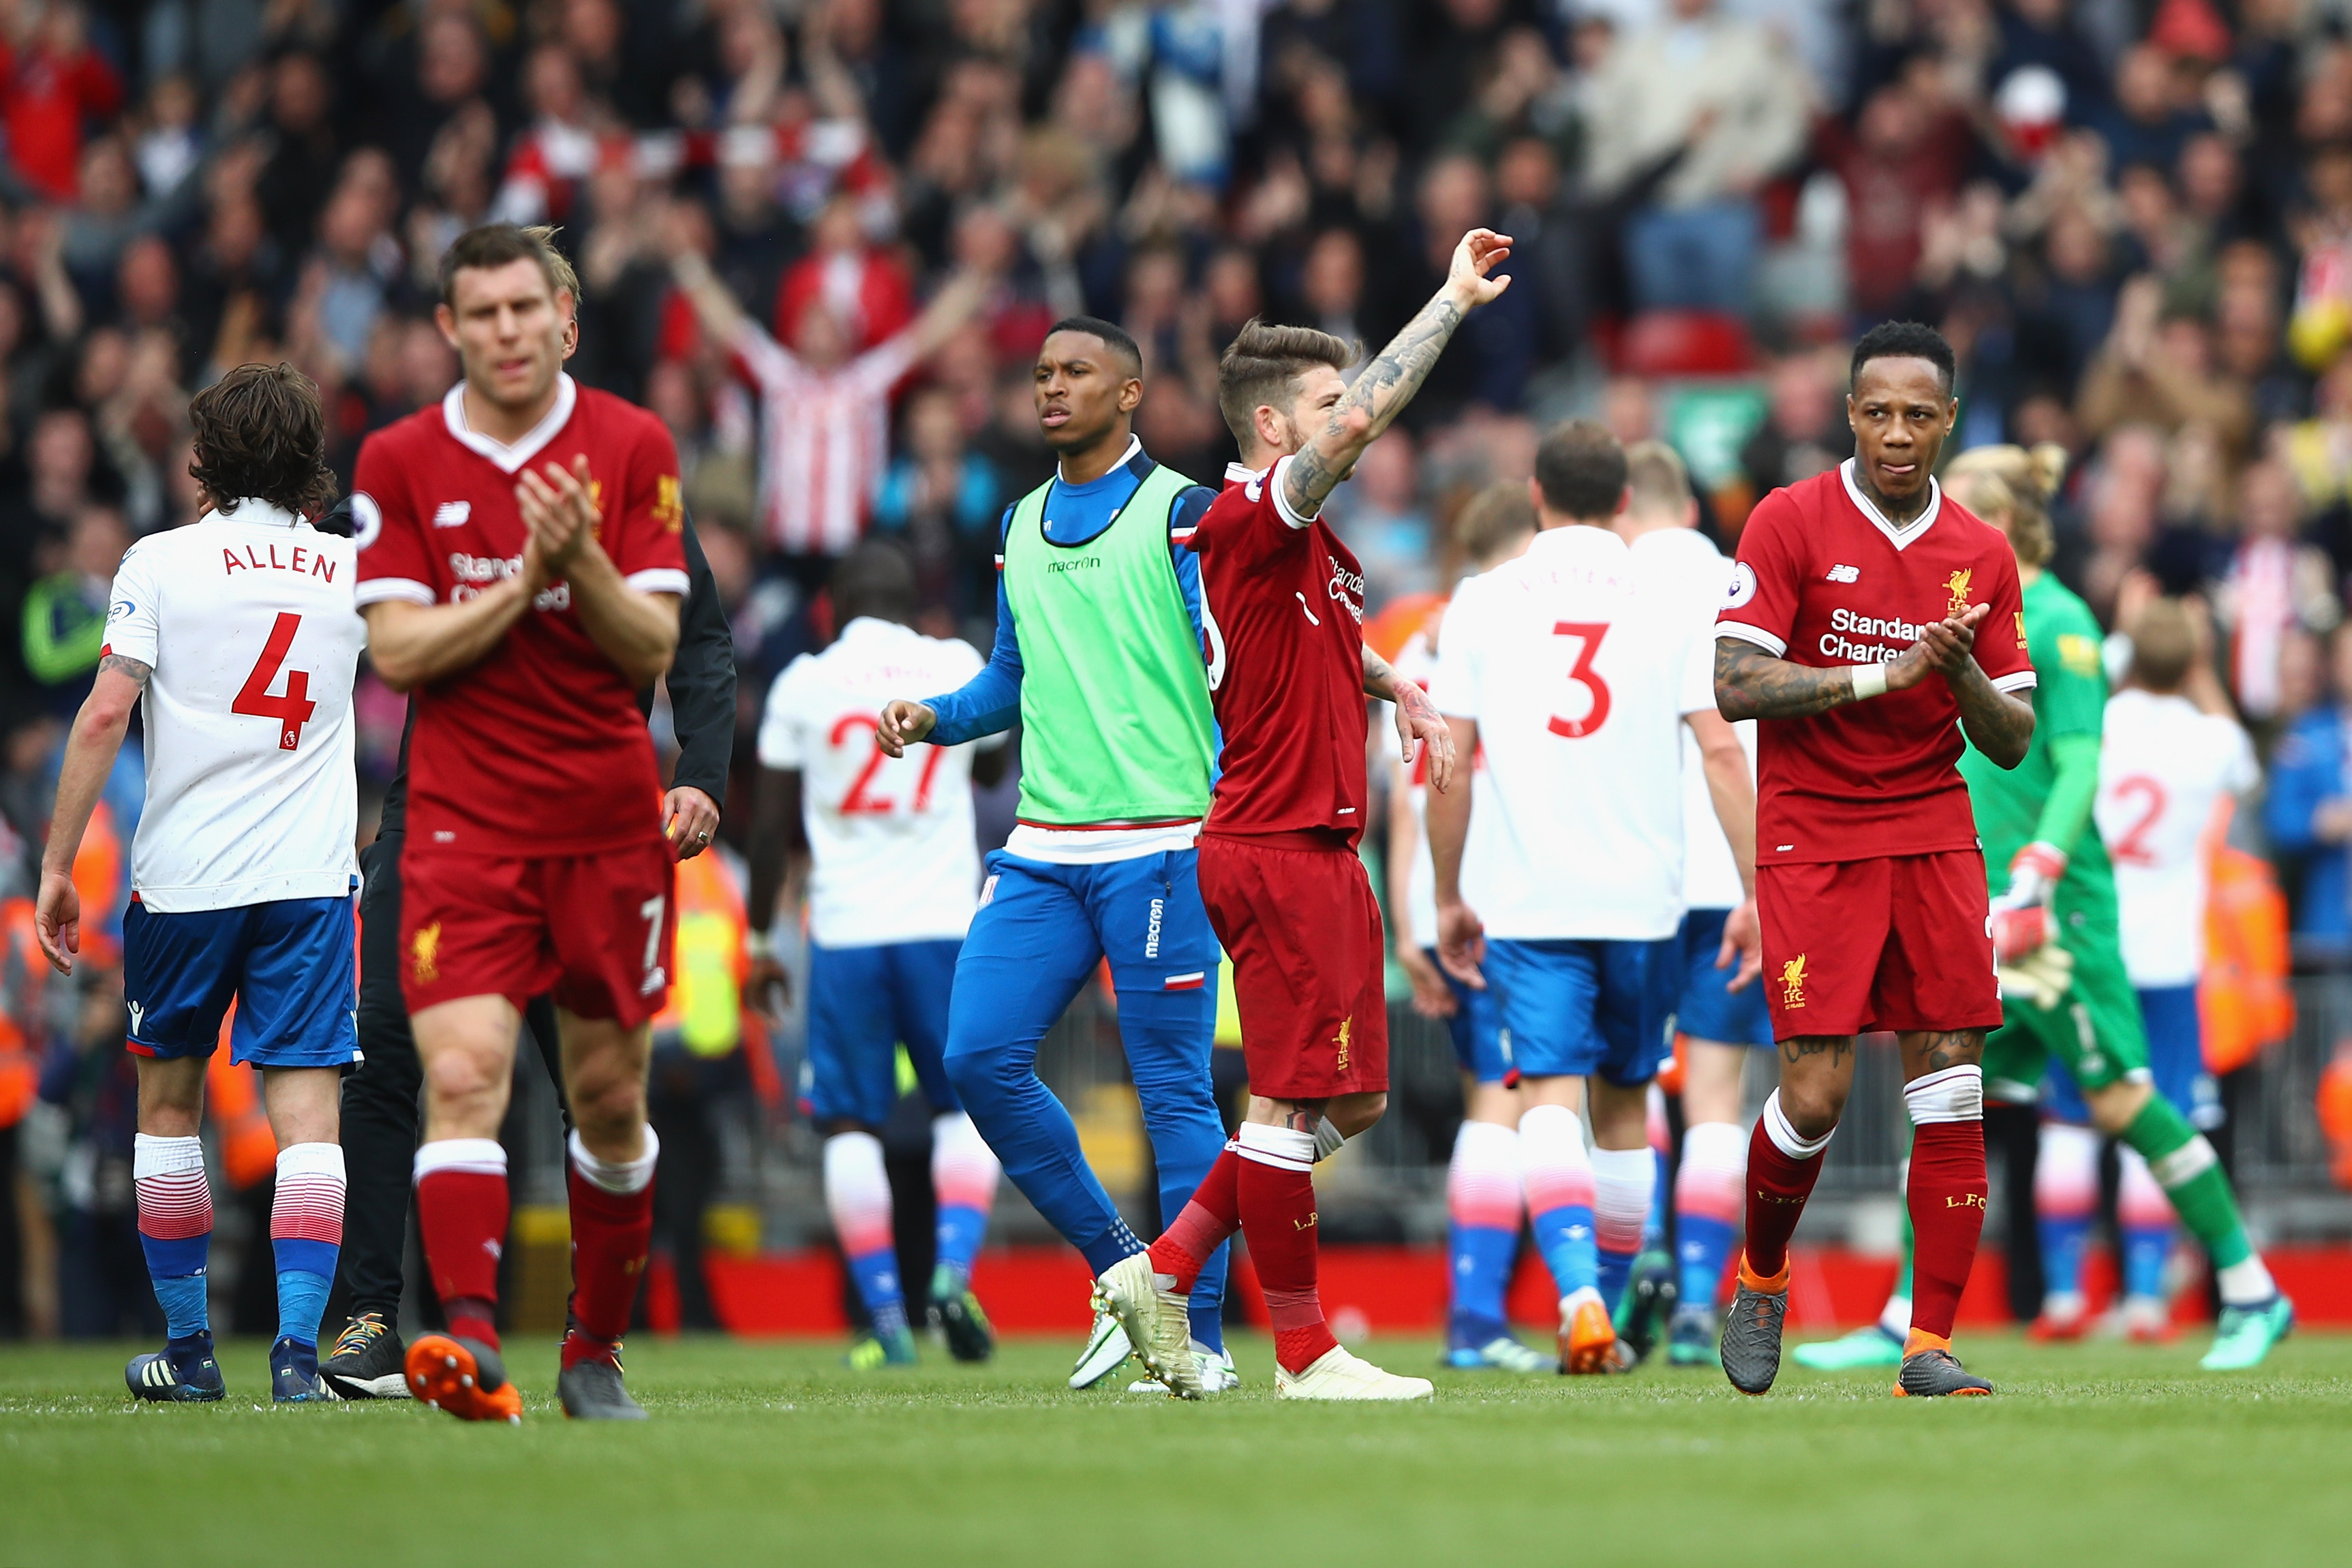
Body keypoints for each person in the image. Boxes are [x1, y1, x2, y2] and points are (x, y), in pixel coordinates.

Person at [1799, 450, 2291, 1375]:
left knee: (2115, 1098)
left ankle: (2251, 1287)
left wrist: (2042, 864)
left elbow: (2076, 761)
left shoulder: (2058, 621)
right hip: (1974, 903)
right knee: (1941, 1099)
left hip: (2054, 913)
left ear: (2001, 526)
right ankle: (1903, 1317)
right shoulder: (1965, 620)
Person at [1122, 230, 1509, 1404]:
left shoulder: (1312, 551)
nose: (1356, 415)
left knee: (1352, 1097)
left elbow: (1316, 652)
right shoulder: (1254, 520)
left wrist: (1400, 693)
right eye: (1330, 402)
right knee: (1289, 1102)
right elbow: (1360, 428)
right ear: (1278, 428)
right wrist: (1444, 302)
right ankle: (1302, 1352)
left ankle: (1165, 1267)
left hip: (1315, 842)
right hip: (1277, 842)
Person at [352, 222, 690, 1422]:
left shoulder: (630, 443)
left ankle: (590, 1351)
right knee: (461, 1070)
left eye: (522, 310)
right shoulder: (398, 459)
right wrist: (514, 583)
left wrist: (579, 560)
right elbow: (395, 650)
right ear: (448, 327)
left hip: (605, 823)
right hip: (462, 823)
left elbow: (652, 643)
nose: (504, 331)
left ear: (563, 320)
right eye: (479, 313)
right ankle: (475, 1345)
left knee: (607, 1099)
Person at [875, 317, 1238, 1394]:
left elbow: (1233, 670)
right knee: (975, 1056)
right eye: (1039, 374)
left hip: (1164, 842)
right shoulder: (1020, 521)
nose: (1050, 389)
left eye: (1075, 373)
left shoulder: (1184, 514)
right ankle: (1129, 1273)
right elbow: (1007, 678)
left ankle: (1202, 1341)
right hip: (1042, 847)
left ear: (1129, 394)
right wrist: (933, 717)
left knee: (1172, 1089)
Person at [318, 506, 736, 1396]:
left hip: (584, 833)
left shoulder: (627, 477)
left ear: (571, 350)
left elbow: (698, 633)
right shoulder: (422, 466)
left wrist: (700, 767)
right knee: (386, 1051)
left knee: (597, 1092)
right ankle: (370, 1319)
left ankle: (594, 1340)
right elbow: (330, 570)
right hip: (437, 819)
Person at [1711, 321, 2038, 1400]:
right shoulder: (1787, 520)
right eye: (1875, 411)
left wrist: (1954, 681)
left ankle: (1925, 1344)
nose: (1895, 432)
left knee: (1949, 1081)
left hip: (1933, 826)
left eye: (1917, 414)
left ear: (1947, 421)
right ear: (1848, 414)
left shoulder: (1981, 555)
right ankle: (1760, 1275)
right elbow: (1734, 685)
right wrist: (1880, 677)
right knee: (1812, 1092)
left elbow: (2010, 737)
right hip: (1812, 826)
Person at [33, 362, 362, 1404]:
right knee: (310, 1122)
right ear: (310, 460)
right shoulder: (351, 570)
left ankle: (188, 1352)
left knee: (168, 1110)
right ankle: (300, 1361)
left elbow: (100, 715)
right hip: (311, 878)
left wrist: (54, 863)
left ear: (201, 461)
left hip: (185, 882)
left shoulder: (161, 561)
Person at [1424, 419, 1761, 1377]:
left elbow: (1445, 766)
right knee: (1625, 1109)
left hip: (1529, 900)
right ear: (1621, 502)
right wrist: (1751, 889)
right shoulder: (1667, 603)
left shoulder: (1482, 602)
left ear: (1536, 496)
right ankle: (1609, 1302)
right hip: (1645, 904)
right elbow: (1722, 752)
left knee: (1542, 1097)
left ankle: (1576, 1295)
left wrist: (1449, 892)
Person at [746, 540, 1008, 1368]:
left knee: (850, 1122)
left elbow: (768, 825)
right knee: (959, 1109)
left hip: (848, 931)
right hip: (945, 923)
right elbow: (996, 761)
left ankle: (888, 1318)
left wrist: (760, 939)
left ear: (832, 608)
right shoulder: (954, 661)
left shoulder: (803, 683)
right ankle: (954, 1274)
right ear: (914, 605)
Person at [1384, 480, 1548, 1373]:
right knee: (1505, 1098)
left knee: (1507, 1096)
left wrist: (1406, 925)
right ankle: (1475, 1318)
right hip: (1498, 894)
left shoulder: (1417, 644)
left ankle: (1484, 1313)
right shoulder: (1516, 626)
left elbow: (1405, 802)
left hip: (1439, 896)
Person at [1613, 439, 1769, 1368]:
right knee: (1715, 1100)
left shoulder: (1605, 591)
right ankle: (1694, 1303)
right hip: (1729, 871)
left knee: (1626, 1097)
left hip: (1624, 880)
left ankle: (1645, 1260)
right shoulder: (1741, 584)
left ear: (1625, 505)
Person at [2083, 596, 2259, 1339]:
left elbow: (2100, 678)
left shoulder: (2101, 718)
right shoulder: (2211, 738)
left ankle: (2068, 1293)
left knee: (2076, 1122)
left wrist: (2126, 632)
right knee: (2164, 1121)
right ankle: (2149, 1296)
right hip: (2171, 960)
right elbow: (2246, 773)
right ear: (2189, 661)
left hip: (2099, 947)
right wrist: (2201, 667)